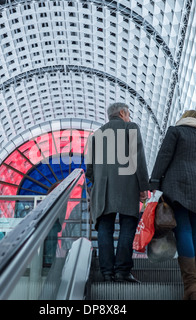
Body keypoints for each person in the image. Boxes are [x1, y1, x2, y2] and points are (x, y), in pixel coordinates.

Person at [149, 110, 196, 300]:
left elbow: (163, 157)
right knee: (195, 237)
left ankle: (191, 288)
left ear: (184, 118)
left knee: (183, 232)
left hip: (177, 188)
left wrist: (154, 183)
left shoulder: (175, 131)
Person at [86, 102, 149, 283]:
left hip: (102, 190)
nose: (129, 117)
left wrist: (98, 181)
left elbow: (89, 169)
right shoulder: (131, 128)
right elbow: (139, 159)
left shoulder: (96, 135)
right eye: (128, 114)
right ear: (122, 113)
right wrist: (143, 186)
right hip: (127, 187)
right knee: (127, 226)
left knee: (104, 228)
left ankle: (107, 273)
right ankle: (122, 271)